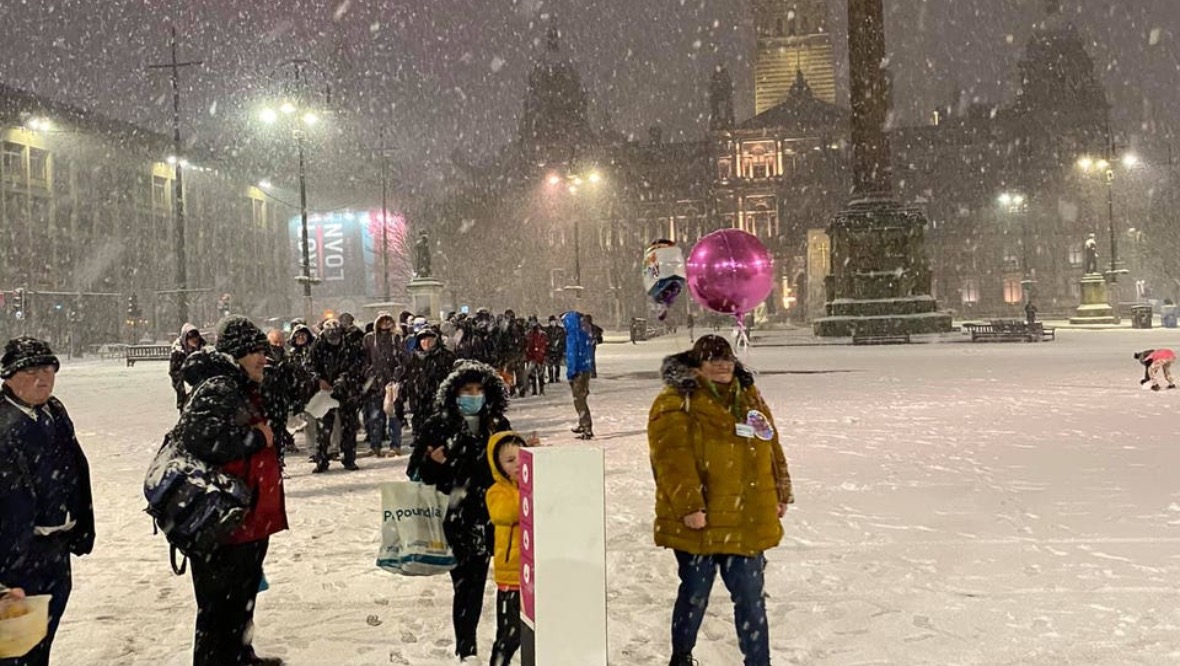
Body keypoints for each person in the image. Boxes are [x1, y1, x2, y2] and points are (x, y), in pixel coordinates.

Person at [648, 335, 792, 666]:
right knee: (695, 594)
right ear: (697, 365)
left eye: (726, 357)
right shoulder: (676, 400)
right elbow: (672, 460)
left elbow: (772, 446)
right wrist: (689, 507)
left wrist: (780, 491)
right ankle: (681, 656)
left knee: (751, 599)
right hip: (700, 522)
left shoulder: (749, 397)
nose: (723, 364)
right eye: (713, 359)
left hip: (745, 517)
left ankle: (759, 662)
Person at [170, 317, 286, 666]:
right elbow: (200, 440)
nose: (262, 358)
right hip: (224, 521)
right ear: (235, 354)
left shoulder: (240, 384)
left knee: (241, 598)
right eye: (255, 352)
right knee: (218, 608)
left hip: (246, 516)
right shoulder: (218, 387)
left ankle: (240, 654)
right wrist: (255, 438)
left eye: (263, 351)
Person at [407, 361, 511, 664]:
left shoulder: (497, 424)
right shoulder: (437, 425)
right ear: (455, 393)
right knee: (464, 583)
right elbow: (417, 471)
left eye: (479, 390)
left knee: (479, 583)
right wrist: (434, 462)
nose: (474, 396)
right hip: (454, 515)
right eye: (468, 390)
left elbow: (508, 467)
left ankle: (476, 648)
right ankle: (466, 648)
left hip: (490, 515)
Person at [0, 337, 95, 666]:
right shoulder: (3, 422)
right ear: (9, 377)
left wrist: (83, 524)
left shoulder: (54, 411)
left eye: (48, 369)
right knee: (14, 651)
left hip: (55, 551)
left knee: (42, 640)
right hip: (15, 561)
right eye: (30, 371)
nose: (42, 378)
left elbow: (76, 468)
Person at [485, 431, 530, 666]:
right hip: (510, 577)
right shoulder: (497, 492)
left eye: (521, 457)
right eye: (509, 461)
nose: (517, 464)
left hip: (534, 573)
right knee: (509, 635)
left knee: (534, 631)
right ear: (499, 466)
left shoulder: (535, 485)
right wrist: (526, 491)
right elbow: (505, 513)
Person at [309, 319, 365, 472]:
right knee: (323, 428)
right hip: (325, 390)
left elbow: (357, 365)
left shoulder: (349, 346)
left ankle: (349, 459)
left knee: (349, 426)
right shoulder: (318, 346)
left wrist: (344, 378)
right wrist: (319, 379)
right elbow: (309, 366)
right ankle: (322, 460)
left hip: (347, 390)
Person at [397, 328, 457, 443]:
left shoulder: (446, 357)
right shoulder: (413, 358)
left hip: (438, 399)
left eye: (429, 339)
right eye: (423, 339)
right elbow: (405, 376)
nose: (426, 342)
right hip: (418, 399)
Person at [363, 312, 404, 457]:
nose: (385, 325)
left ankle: (395, 445)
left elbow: (402, 360)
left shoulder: (396, 339)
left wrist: (395, 377)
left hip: (392, 384)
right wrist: (369, 374)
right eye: (383, 322)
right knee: (376, 418)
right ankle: (375, 445)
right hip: (375, 383)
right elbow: (365, 359)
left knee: (394, 416)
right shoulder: (369, 339)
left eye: (388, 322)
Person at [564, 311, 595, 439]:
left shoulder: (573, 336)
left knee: (579, 400)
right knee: (582, 397)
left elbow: (572, 356)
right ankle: (583, 423)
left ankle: (586, 426)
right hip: (585, 369)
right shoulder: (585, 334)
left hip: (578, 371)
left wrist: (571, 372)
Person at [169, 324, 206, 412]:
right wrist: (181, 395)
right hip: (183, 370)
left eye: (196, 340)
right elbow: (175, 373)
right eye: (192, 340)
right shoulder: (178, 352)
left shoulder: (203, 347)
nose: (195, 342)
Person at [524, 319, 549, 396]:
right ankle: (535, 390)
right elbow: (527, 345)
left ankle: (541, 390)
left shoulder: (542, 334)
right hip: (532, 356)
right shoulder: (529, 334)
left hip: (539, 356)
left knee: (540, 374)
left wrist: (542, 353)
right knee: (533, 375)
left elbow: (545, 345)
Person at [544, 316, 565, 385]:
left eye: (553, 321)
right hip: (549, 349)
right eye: (551, 321)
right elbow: (545, 338)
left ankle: (557, 376)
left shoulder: (560, 330)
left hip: (558, 349)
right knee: (550, 364)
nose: (552, 323)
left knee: (557, 364)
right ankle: (551, 377)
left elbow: (563, 339)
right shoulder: (547, 330)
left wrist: (559, 343)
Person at [585, 314, 604, 379]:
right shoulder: (591, 327)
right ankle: (592, 373)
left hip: (589, 344)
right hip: (590, 344)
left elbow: (600, 331)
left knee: (589, 359)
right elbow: (600, 330)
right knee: (591, 359)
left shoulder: (586, 327)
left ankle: (590, 373)